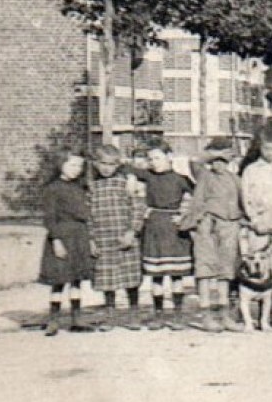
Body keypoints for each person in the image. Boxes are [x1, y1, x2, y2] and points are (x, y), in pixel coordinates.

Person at [178, 137, 245, 333]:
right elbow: (195, 161)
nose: (219, 164)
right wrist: (215, 153)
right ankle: (206, 315)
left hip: (229, 225)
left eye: (224, 159)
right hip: (206, 225)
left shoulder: (235, 179)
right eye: (215, 159)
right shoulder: (204, 175)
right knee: (205, 269)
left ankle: (224, 315)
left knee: (226, 270)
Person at [135, 142, 193, 330]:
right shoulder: (147, 176)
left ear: (170, 156)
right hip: (154, 225)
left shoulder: (181, 179)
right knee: (156, 275)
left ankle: (177, 314)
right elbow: (125, 167)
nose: (153, 162)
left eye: (158, 157)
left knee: (177, 274)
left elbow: (197, 197)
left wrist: (184, 216)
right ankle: (158, 314)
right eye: (150, 159)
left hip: (175, 229)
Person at [88, 144, 144, 331]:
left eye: (111, 164)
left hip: (125, 236)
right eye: (102, 163)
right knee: (107, 279)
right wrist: (91, 239)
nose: (106, 168)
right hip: (103, 238)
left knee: (131, 278)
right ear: (95, 163)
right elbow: (87, 214)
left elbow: (137, 208)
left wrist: (132, 231)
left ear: (117, 165)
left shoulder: (125, 183)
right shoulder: (92, 187)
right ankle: (110, 316)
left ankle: (133, 315)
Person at [241, 125, 272, 329]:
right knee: (256, 264)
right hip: (259, 226)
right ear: (260, 148)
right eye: (266, 149)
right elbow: (247, 198)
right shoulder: (251, 170)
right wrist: (255, 221)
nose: (270, 153)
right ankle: (248, 309)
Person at [39, 152, 94, 336]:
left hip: (79, 236)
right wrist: (56, 240)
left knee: (76, 279)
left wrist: (90, 239)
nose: (76, 170)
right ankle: (54, 319)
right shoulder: (53, 189)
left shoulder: (80, 188)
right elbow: (49, 218)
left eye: (79, 166)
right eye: (72, 165)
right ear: (61, 164)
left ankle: (76, 318)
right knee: (59, 280)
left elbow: (86, 214)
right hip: (62, 236)